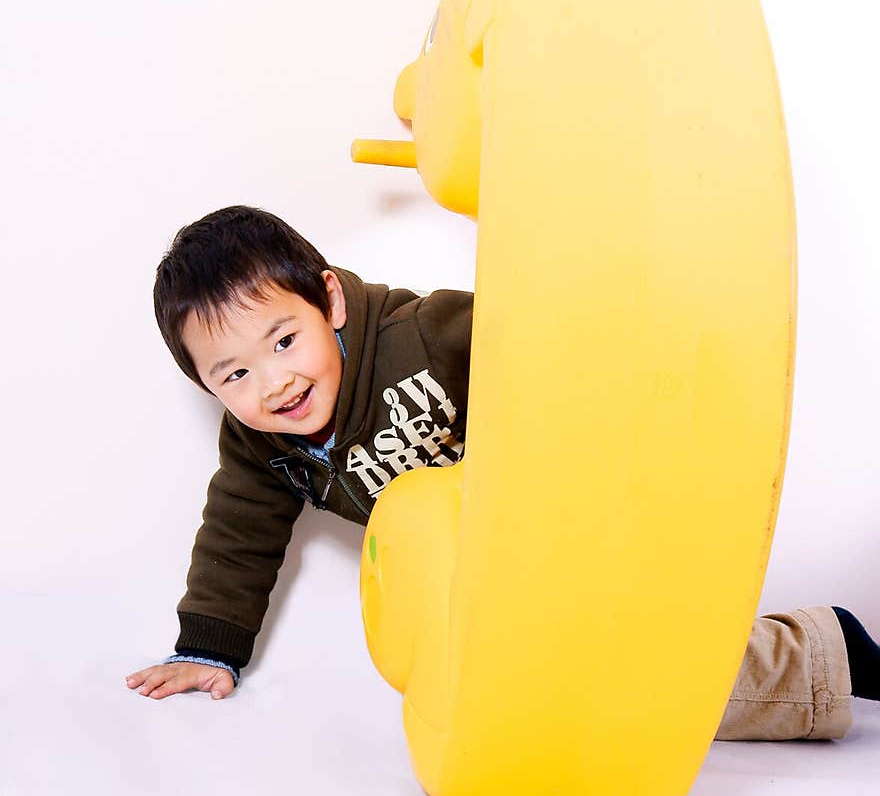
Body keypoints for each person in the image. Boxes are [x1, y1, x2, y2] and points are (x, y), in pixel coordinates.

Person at [125, 205, 880, 742]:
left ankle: (822, 658)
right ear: (209, 387)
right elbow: (237, 532)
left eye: (284, 340)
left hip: (577, 505)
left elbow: (538, 335)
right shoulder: (262, 444)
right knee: (578, 685)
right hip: (499, 582)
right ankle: (814, 652)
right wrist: (208, 645)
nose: (273, 382)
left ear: (328, 300)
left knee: (631, 682)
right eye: (235, 374)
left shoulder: (419, 335)